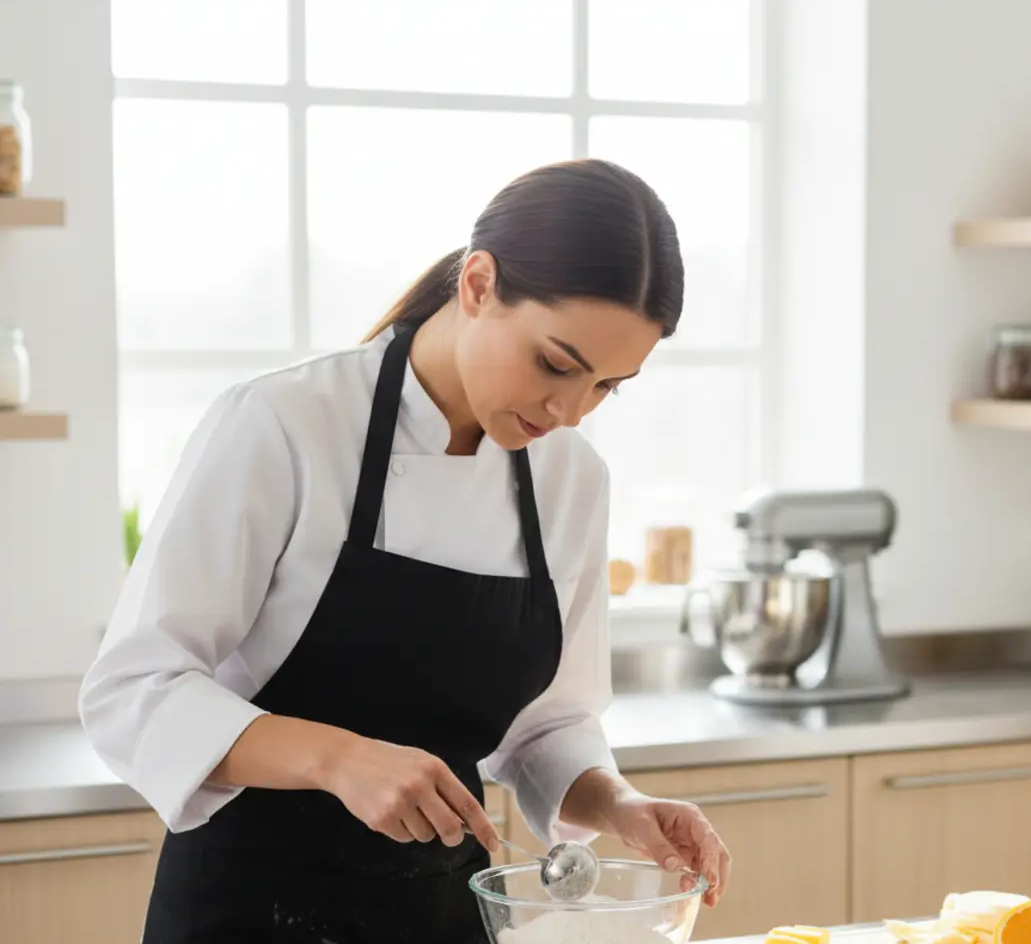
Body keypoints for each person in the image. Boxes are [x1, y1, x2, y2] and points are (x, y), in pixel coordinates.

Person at [78, 158, 732, 942]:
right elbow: (132, 688)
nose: (570, 411)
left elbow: (545, 725)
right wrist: (337, 759)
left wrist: (618, 804)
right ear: (480, 285)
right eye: (556, 364)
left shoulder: (570, 479)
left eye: (606, 387)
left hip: (442, 918)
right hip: (249, 914)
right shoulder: (285, 426)